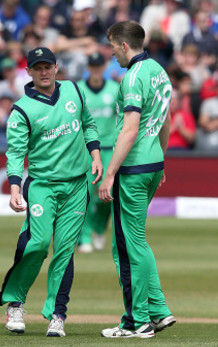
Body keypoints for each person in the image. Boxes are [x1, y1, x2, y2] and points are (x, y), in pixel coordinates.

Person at [0, 47, 103, 338]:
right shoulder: (21, 110)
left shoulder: (74, 91)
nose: (44, 72)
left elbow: (89, 125)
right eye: (37, 67)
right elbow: (15, 153)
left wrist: (95, 154)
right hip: (42, 184)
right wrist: (15, 187)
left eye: (48, 66)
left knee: (65, 251)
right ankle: (15, 303)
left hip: (77, 186)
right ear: (28, 72)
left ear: (57, 68)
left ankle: (58, 314)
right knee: (38, 244)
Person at [98, 21, 175, 339]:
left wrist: (111, 172)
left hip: (132, 168)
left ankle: (136, 321)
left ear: (124, 45)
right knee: (137, 241)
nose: (112, 53)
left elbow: (130, 129)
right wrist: (161, 157)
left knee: (127, 247)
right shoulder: (159, 71)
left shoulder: (132, 78)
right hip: (152, 162)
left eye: (113, 47)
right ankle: (158, 310)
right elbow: (165, 119)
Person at [76, 52, 119, 253]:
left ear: (104, 66)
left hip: (109, 149)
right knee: (83, 194)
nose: (95, 69)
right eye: (91, 66)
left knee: (107, 193)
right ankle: (84, 237)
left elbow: (123, 120)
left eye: (98, 65)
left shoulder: (115, 89)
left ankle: (99, 228)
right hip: (85, 150)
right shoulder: (79, 90)